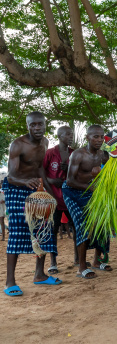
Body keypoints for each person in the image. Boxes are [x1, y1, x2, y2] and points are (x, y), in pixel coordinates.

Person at [2, 111, 62, 296]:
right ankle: (10, 281)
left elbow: (38, 169)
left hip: (34, 186)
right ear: (27, 126)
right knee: (19, 230)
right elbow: (11, 176)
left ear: (45, 125)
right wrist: (25, 182)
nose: (37, 128)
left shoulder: (45, 142)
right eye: (32, 125)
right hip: (15, 187)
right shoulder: (18, 145)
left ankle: (40, 275)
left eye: (40, 124)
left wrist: (51, 194)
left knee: (44, 228)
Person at [62, 125, 112, 279]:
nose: (99, 139)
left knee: (102, 223)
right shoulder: (78, 155)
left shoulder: (104, 155)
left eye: (101, 136)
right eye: (95, 136)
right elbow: (69, 181)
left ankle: (97, 261)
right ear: (87, 138)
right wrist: (90, 188)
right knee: (82, 224)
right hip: (73, 192)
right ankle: (82, 267)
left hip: (92, 192)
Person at [43, 126, 77, 274]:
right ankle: (53, 262)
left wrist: (69, 167)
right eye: (68, 134)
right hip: (53, 197)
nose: (71, 137)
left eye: (72, 134)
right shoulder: (50, 153)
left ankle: (77, 258)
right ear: (60, 136)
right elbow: (42, 174)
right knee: (53, 230)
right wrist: (52, 181)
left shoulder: (74, 153)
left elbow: (79, 174)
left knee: (76, 228)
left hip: (70, 197)